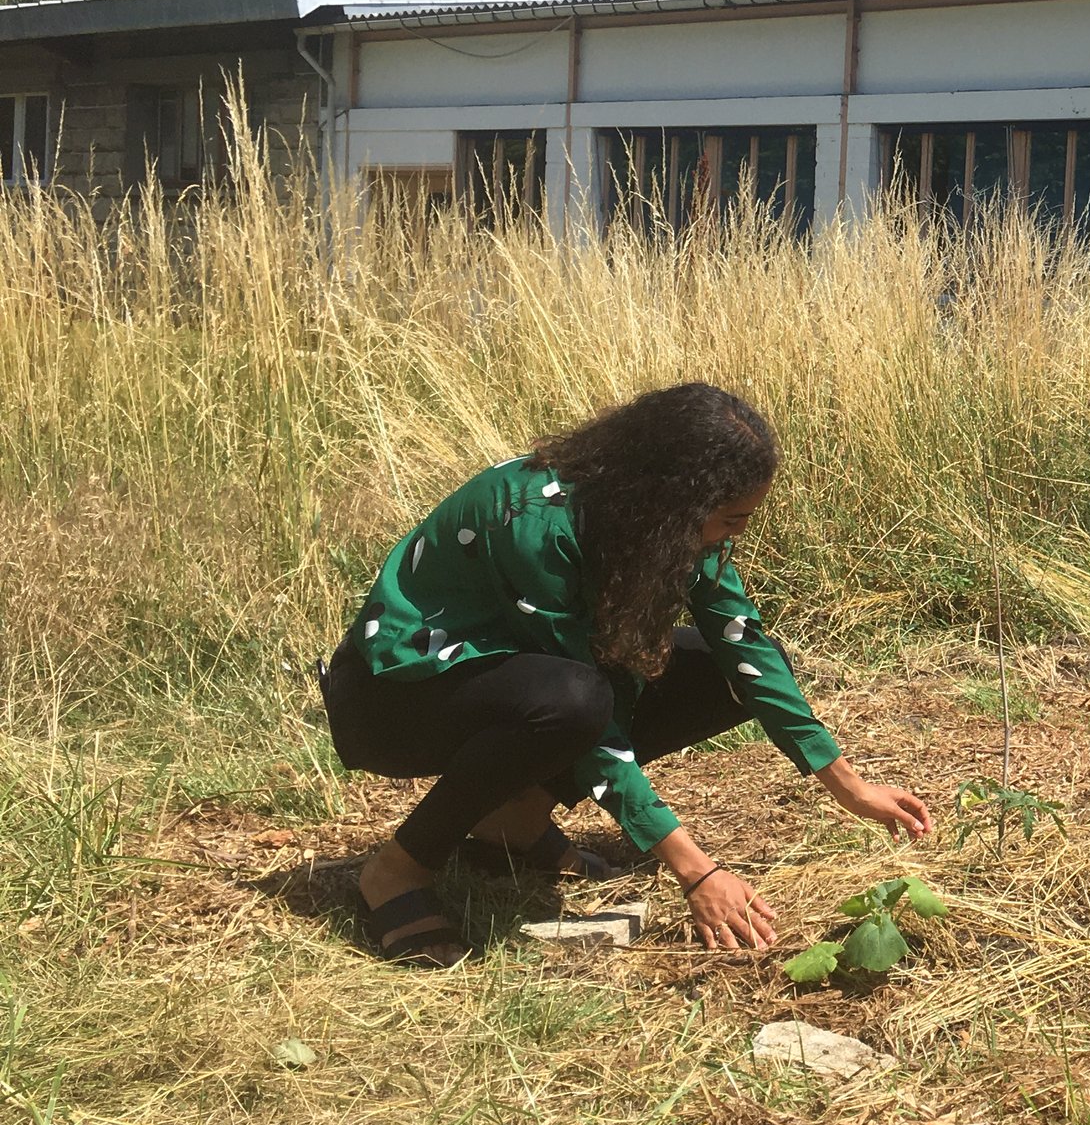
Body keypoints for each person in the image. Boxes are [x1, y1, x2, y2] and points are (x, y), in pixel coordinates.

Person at [321, 382, 933, 967]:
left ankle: (512, 819)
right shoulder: (534, 521)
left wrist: (849, 785)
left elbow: (741, 641)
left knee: (722, 674)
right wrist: (696, 870)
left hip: (519, 681)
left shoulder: (662, 525)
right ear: (671, 500)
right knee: (576, 700)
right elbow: (589, 713)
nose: (737, 533)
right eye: (730, 519)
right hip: (396, 702)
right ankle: (397, 871)